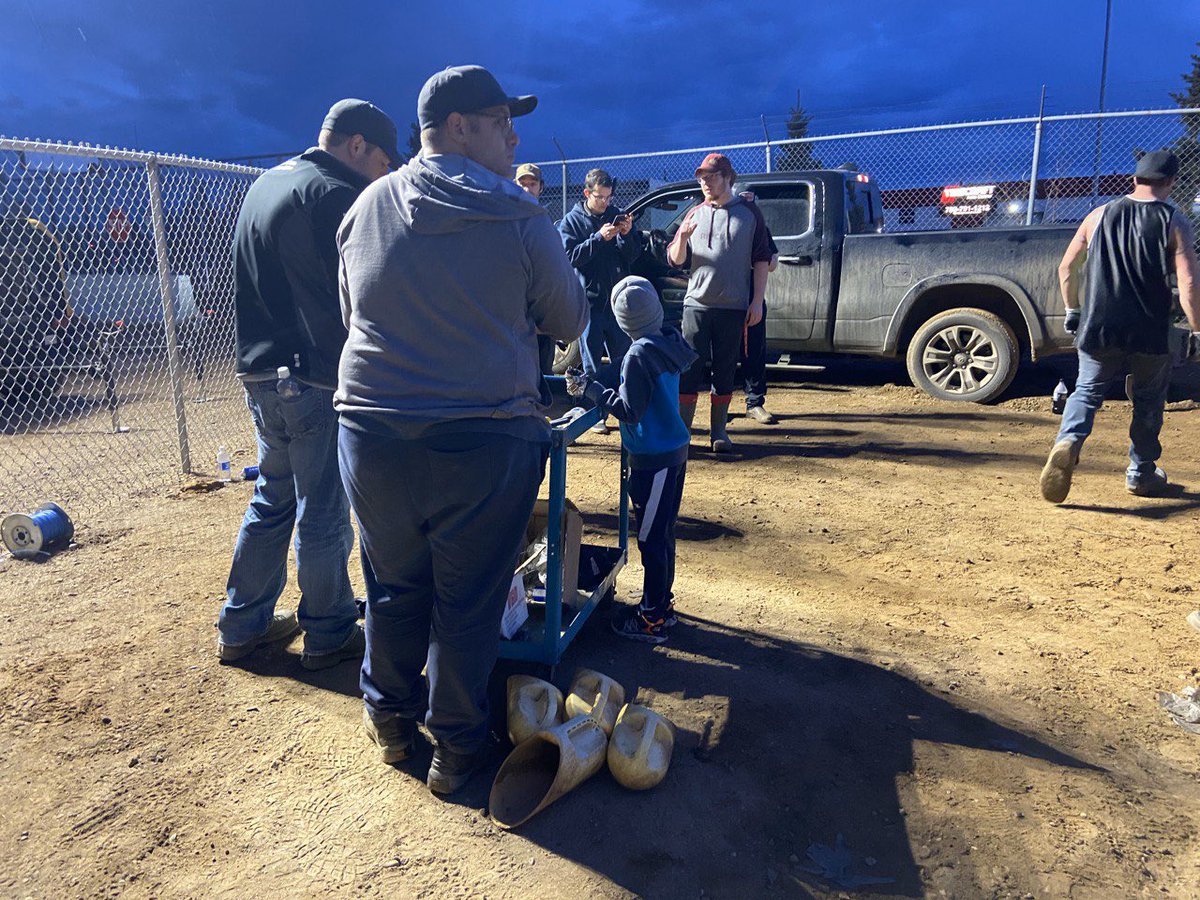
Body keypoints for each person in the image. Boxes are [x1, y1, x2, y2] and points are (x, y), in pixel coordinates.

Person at [335, 65, 588, 795]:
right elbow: (567, 319)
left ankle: (389, 724)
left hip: (371, 429)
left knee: (391, 583)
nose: (513, 135)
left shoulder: (366, 205)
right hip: (482, 434)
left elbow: (352, 316)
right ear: (456, 128)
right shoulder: (517, 212)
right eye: (500, 120)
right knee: (468, 599)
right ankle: (455, 752)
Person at [217, 99, 400, 669]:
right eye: (382, 162)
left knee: (272, 497)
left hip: (259, 369)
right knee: (322, 506)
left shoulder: (265, 184)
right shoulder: (334, 194)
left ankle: (241, 623)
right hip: (312, 376)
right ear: (357, 145)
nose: (384, 175)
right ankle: (328, 632)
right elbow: (354, 296)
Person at [1040, 149, 1200, 504]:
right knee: (1148, 400)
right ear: (1171, 182)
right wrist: (1197, 330)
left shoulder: (1098, 215)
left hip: (1099, 325)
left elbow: (1067, 268)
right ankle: (1141, 473)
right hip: (1150, 329)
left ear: (1134, 179)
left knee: (1086, 391)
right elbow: (1188, 284)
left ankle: (1068, 442)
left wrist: (1073, 310)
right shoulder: (1175, 220)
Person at [567, 276, 696, 644]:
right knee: (663, 535)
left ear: (623, 322)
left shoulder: (639, 354)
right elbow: (633, 377)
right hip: (672, 454)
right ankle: (660, 606)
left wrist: (593, 391)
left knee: (652, 539)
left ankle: (653, 618)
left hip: (653, 459)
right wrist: (603, 378)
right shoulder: (665, 340)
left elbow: (629, 409)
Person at [668, 153, 772, 453]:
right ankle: (683, 434)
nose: (704, 182)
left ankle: (718, 433)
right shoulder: (694, 213)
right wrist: (682, 239)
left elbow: (762, 259)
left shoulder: (749, 213)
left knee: (725, 370)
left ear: (727, 177)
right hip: (696, 306)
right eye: (701, 178)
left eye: (710, 177)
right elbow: (676, 260)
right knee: (689, 370)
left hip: (734, 307)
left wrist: (757, 302)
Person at [558, 168, 645, 433]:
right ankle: (596, 415)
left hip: (618, 305)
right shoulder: (571, 222)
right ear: (587, 193)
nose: (606, 202)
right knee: (592, 365)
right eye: (600, 197)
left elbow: (632, 256)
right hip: (590, 304)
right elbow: (569, 256)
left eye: (608, 197)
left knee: (623, 360)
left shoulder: (615, 215)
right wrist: (598, 238)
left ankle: (622, 409)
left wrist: (627, 234)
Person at [514, 162, 556, 375]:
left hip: (542, 311)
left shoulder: (546, 221)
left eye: (532, 183)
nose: (527, 188)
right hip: (515, 312)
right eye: (523, 184)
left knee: (544, 374)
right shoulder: (505, 218)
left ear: (541, 187)